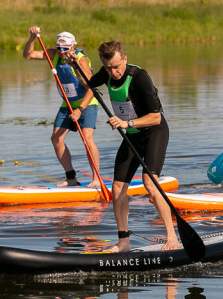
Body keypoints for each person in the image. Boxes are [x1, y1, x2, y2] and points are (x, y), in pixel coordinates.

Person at [76, 40, 180, 253]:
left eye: (117, 66)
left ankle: (172, 237)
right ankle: (124, 242)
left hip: (153, 132)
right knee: (117, 188)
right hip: (132, 136)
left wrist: (126, 123)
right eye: (108, 68)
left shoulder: (140, 78)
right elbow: (89, 83)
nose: (113, 72)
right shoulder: (106, 73)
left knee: (150, 183)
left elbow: (156, 118)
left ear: (125, 59)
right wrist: (73, 63)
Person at [22, 26, 101, 187]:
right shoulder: (54, 55)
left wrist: (80, 110)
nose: (61, 52)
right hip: (68, 103)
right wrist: (32, 38)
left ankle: (96, 179)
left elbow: (92, 88)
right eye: (59, 48)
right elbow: (28, 55)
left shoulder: (80, 59)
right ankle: (71, 177)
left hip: (87, 102)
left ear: (73, 47)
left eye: (65, 49)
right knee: (56, 139)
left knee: (87, 138)